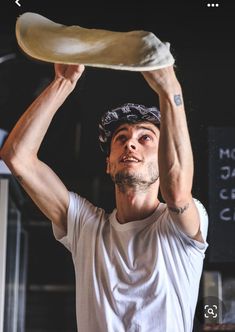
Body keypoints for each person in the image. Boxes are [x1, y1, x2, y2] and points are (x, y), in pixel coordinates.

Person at [1, 63, 208, 332]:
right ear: (109, 163)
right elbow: (17, 157)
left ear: (164, 158)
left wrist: (170, 88)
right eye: (121, 138)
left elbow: (177, 189)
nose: (130, 143)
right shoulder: (87, 228)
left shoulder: (180, 226)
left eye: (145, 138)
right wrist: (63, 82)